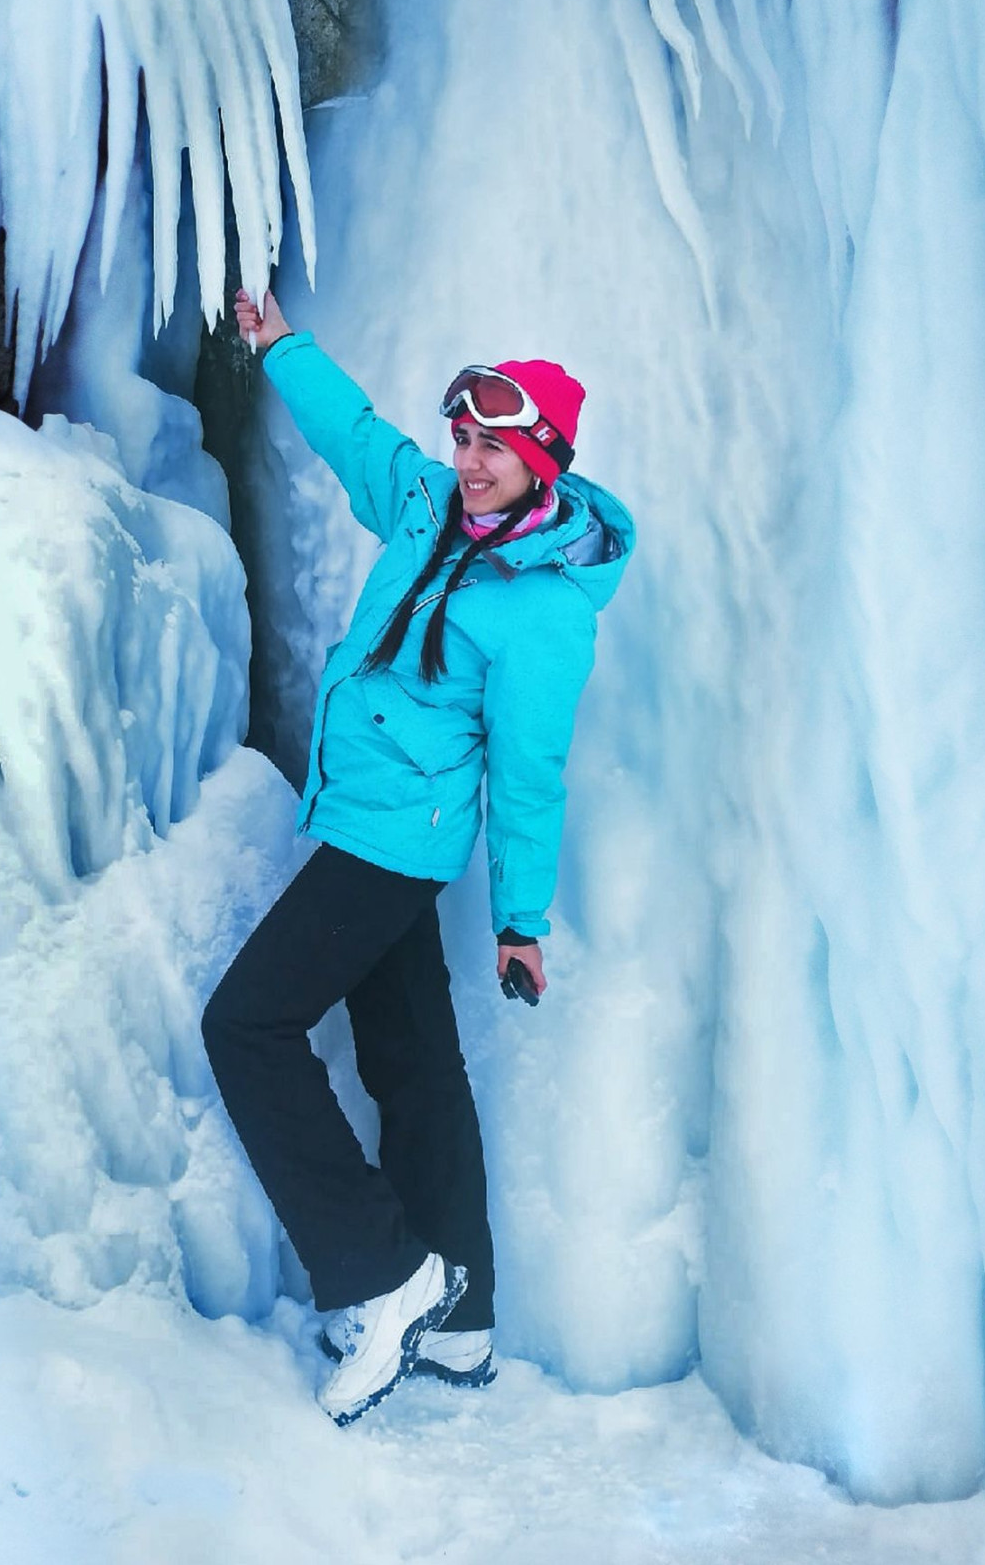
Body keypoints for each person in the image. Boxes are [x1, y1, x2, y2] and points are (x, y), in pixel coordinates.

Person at [202, 287, 635, 1426]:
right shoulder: (424, 505)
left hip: (398, 848)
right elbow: (355, 435)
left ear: (543, 458)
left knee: (243, 1025)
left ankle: (383, 1273)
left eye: (495, 444)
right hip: (364, 822)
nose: (469, 459)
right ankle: (464, 1316)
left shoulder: (546, 611)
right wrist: (279, 345)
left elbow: (527, 778)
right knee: (411, 1061)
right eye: (462, 437)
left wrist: (520, 920)